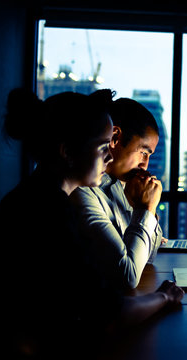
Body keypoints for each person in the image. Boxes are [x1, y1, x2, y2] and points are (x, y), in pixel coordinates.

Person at [0, 89, 183, 358]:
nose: (109, 157)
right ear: (67, 152)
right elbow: (111, 313)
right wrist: (164, 297)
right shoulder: (50, 211)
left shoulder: (38, 196)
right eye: (102, 147)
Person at [70, 94, 165, 290]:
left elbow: (149, 254)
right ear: (115, 138)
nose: (145, 164)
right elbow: (127, 276)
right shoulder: (80, 189)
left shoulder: (120, 184)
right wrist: (145, 209)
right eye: (143, 152)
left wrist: (144, 209)